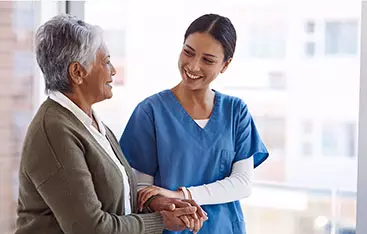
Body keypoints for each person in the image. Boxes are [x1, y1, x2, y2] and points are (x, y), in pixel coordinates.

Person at [15, 14, 207, 234]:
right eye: (105, 62)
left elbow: (112, 198)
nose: (113, 70)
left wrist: (152, 203)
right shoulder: (55, 130)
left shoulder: (89, 122)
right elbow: (90, 228)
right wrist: (160, 221)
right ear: (77, 72)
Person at [119, 13, 269, 234]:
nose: (193, 66)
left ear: (225, 65)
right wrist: (168, 203)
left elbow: (242, 183)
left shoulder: (236, 111)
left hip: (225, 228)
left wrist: (183, 194)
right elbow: (142, 190)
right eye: (188, 52)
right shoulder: (150, 112)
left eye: (208, 60)